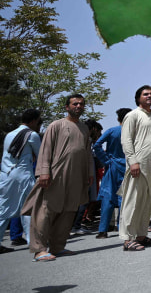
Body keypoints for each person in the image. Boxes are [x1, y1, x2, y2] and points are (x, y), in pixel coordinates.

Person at [22, 95, 94, 262]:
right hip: (56, 174)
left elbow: (87, 153)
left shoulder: (84, 128)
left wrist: (89, 173)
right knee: (46, 210)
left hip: (77, 175)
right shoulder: (56, 125)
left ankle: (58, 246)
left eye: (81, 104)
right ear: (67, 107)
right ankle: (39, 249)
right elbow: (45, 150)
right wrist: (43, 172)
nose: (78, 106)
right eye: (75, 103)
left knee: (69, 210)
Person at [119, 85, 151, 251]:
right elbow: (126, 140)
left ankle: (140, 235)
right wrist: (133, 162)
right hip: (137, 165)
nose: (150, 96)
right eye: (146, 94)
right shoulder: (132, 115)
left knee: (146, 203)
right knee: (132, 202)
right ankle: (127, 238)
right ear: (138, 97)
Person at [0, 109, 42, 254]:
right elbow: (41, 155)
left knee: (4, 209)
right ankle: (33, 242)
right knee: (29, 208)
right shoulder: (32, 135)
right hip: (23, 176)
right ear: (33, 121)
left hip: (5, 175)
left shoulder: (9, 135)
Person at [92, 108, 129, 239]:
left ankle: (102, 230)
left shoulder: (112, 131)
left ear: (118, 118)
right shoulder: (132, 132)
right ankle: (122, 228)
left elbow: (97, 145)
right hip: (127, 166)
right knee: (124, 197)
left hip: (112, 166)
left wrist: (106, 160)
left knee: (108, 197)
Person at [71, 119, 103, 236]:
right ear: (93, 129)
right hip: (86, 173)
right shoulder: (87, 140)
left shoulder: (78, 138)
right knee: (84, 200)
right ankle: (76, 226)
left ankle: (73, 225)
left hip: (78, 172)